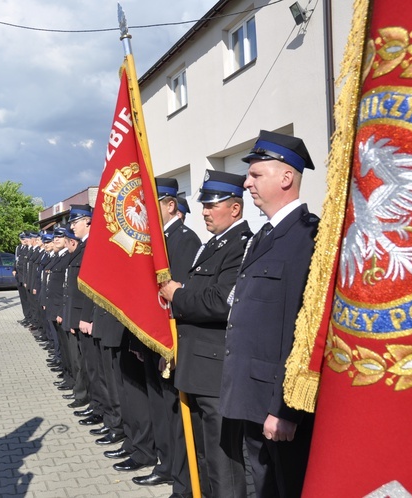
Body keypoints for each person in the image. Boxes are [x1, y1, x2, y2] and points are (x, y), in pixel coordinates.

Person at [220, 131, 318, 497]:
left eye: (256, 175)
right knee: (263, 486)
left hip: (278, 407)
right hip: (251, 396)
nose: (246, 184)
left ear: (286, 178)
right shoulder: (263, 236)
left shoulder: (309, 238)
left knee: (288, 487)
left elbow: (304, 332)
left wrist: (286, 409)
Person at [160, 170, 251, 497]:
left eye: (213, 205)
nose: (205, 211)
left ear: (235, 209)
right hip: (196, 367)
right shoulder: (213, 245)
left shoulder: (241, 246)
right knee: (201, 456)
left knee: (222, 462)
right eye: (204, 206)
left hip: (214, 371)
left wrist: (177, 294)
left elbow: (219, 303)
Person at [134, 177, 201, 492]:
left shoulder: (183, 239)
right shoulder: (157, 240)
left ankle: (183, 480)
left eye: (151, 203)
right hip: (153, 338)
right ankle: (166, 465)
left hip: (169, 341)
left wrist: (167, 346)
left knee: (174, 414)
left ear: (170, 205)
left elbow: (180, 296)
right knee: (159, 408)